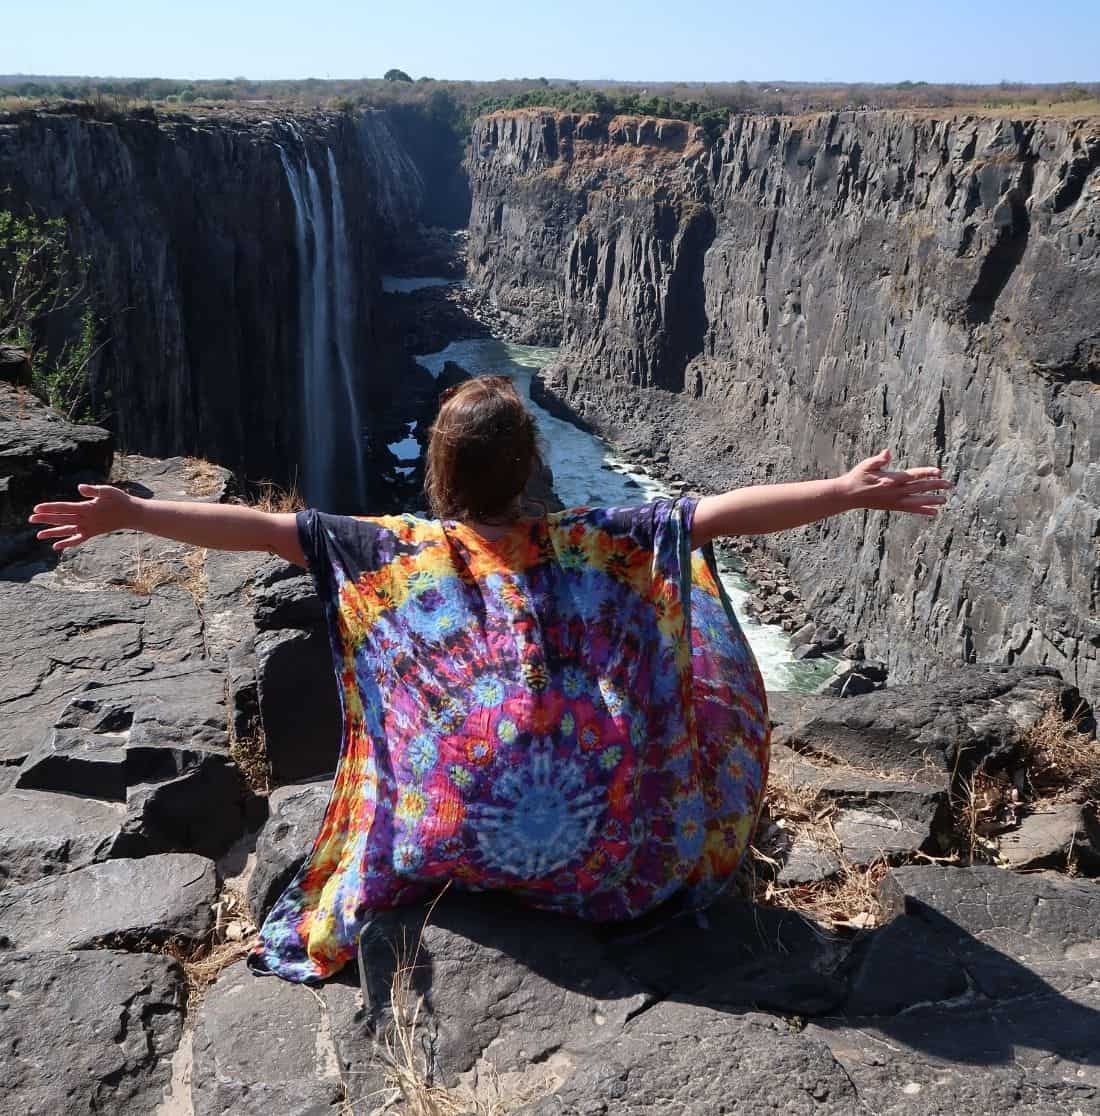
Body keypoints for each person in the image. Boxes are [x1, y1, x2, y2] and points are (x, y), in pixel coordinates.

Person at [29, 375, 951, 984]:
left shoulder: (390, 552)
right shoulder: (596, 541)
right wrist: (843, 491)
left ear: (439, 472)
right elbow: (713, 518)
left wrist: (134, 513)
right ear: (532, 470)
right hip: (608, 859)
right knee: (699, 632)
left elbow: (261, 529)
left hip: (448, 840)